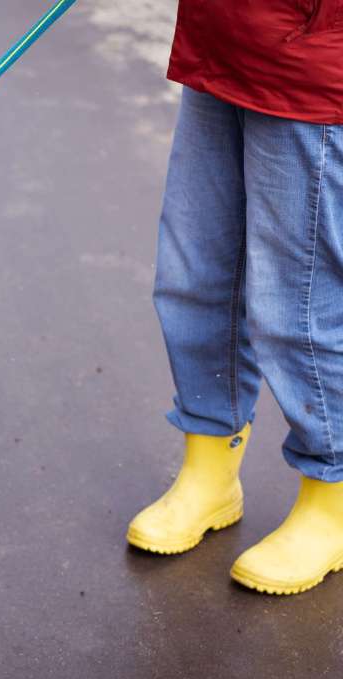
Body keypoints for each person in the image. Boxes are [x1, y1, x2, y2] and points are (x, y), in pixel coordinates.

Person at [126, 1, 343, 594]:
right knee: (195, 277)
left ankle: (332, 503)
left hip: (315, 65)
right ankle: (210, 472)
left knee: (299, 307)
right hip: (223, 39)